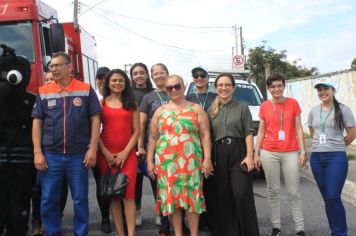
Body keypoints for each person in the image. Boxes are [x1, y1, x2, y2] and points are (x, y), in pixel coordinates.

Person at [32, 52, 101, 236]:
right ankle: (52, 232)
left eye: (57, 65)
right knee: (48, 199)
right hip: (51, 155)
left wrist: (92, 148)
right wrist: (38, 153)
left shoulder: (85, 89)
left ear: (69, 67)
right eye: (51, 66)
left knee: (80, 199)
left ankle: (81, 233)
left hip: (78, 155)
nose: (53, 69)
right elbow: (37, 122)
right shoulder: (44, 91)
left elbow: (95, 118)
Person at [146, 74, 213, 236]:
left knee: (192, 198)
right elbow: (153, 137)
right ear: (166, 90)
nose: (174, 90)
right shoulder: (160, 111)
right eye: (170, 88)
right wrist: (149, 161)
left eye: (177, 86)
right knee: (174, 200)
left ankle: (194, 233)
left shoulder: (196, 109)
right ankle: (178, 233)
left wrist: (207, 159)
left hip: (191, 162)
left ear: (183, 87)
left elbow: (205, 136)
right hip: (167, 163)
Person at [254, 74, 306, 236]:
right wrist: (256, 153)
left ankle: (300, 228)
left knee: (293, 191)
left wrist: (303, 151)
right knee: (273, 191)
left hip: (290, 152)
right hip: (269, 152)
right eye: (273, 87)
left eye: (279, 86)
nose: (276, 89)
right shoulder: (264, 106)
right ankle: (276, 227)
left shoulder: (293, 103)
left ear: (284, 86)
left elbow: (298, 128)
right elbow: (261, 130)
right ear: (268, 89)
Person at [208, 73, 259, 236]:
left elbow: (249, 132)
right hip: (219, 153)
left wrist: (249, 155)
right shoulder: (211, 110)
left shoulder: (242, 107)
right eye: (220, 85)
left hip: (239, 152)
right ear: (216, 88)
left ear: (233, 87)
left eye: (227, 85)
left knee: (241, 193)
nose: (224, 88)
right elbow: (207, 136)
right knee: (223, 195)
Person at [308, 80, 356, 236]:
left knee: (333, 196)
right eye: (319, 90)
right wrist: (320, 145)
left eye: (325, 89)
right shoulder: (314, 111)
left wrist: (338, 146)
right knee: (327, 199)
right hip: (316, 158)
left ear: (333, 90)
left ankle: (340, 233)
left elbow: (352, 133)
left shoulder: (343, 109)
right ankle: (334, 231)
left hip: (336, 157)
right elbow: (312, 130)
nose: (322, 92)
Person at [96, 69, 140, 236]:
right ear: (108, 82)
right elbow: (95, 131)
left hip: (127, 155)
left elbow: (137, 132)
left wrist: (125, 152)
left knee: (128, 195)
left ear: (125, 83)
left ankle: (131, 233)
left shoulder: (132, 104)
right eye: (114, 80)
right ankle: (120, 233)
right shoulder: (101, 104)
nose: (117, 83)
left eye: (121, 80)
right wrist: (105, 152)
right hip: (106, 155)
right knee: (113, 195)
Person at [138, 63, 171, 235]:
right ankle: (164, 221)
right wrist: (141, 145)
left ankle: (179, 221)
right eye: (155, 74)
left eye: (161, 72)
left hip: (177, 148)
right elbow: (142, 124)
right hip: (156, 147)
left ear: (167, 73)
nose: (158, 76)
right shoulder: (148, 98)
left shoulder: (176, 91)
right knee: (159, 186)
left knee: (177, 185)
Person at [185, 66, 217, 233]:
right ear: (192, 78)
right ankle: (198, 222)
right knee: (194, 185)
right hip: (192, 146)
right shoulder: (188, 98)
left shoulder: (215, 97)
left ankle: (211, 220)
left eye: (202, 75)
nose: (199, 78)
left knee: (210, 184)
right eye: (196, 76)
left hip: (212, 142)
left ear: (207, 77)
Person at [129, 63, 155, 227]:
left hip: (152, 140)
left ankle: (161, 212)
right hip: (131, 141)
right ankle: (137, 211)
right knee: (135, 180)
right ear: (131, 76)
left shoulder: (154, 94)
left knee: (155, 178)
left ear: (147, 75)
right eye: (135, 73)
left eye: (142, 73)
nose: (139, 76)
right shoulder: (128, 94)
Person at [93, 66, 112, 233]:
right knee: (101, 185)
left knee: (121, 184)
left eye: (106, 78)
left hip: (118, 149)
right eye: (100, 78)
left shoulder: (121, 99)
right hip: (98, 149)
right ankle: (105, 217)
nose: (103, 81)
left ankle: (121, 217)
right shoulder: (92, 99)